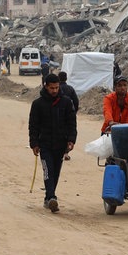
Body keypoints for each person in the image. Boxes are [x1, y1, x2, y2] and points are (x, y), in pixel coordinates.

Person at [29, 73, 77, 213]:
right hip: (45, 145)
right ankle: (51, 197)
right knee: (48, 170)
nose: (54, 91)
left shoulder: (66, 102)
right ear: (46, 86)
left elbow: (72, 123)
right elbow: (33, 125)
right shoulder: (38, 104)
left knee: (56, 172)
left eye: (56, 88)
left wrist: (71, 140)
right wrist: (34, 143)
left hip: (60, 145)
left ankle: (48, 198)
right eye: (52, 88)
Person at [58, 71, 80, 161]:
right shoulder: (70, 89)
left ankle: (59, 152)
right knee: (68, 133)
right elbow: (76, 101)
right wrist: (74, 112)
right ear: (66, 78)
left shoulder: (56, 89)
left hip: (58, 115)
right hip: (68, 115)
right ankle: (66, 152)